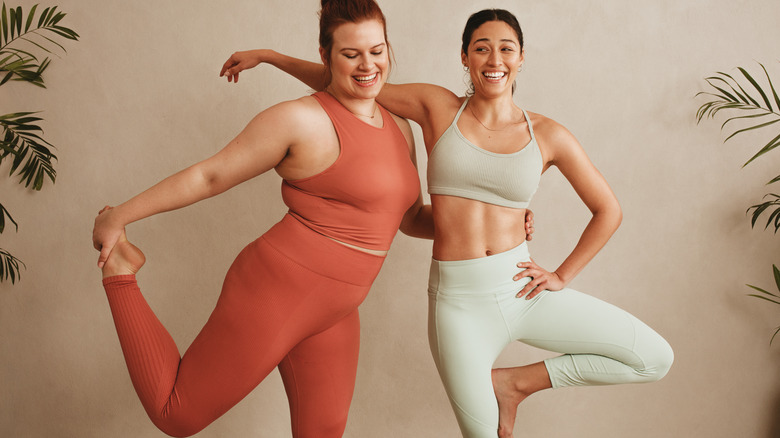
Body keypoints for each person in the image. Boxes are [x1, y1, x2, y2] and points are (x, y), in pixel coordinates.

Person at [221, 7, 674, 438]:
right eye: (481, 48)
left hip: (521, 289)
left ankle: (514, 384)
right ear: (464, 56)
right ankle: (503, 387)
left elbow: (608, 210)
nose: (494, 59)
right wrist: (272, 57)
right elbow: (349, 81)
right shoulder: (438, 107)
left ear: (521, 57)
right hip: (459, 305)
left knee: (653, 357)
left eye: (506, 48)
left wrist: (561, 275)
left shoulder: (549, 133)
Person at [92, 1, 440, 436]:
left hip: (337, 309)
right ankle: (122, 274)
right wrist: (119, 217)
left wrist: (497, 222)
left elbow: (410, 219)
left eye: (377, 50)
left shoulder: (398, 126)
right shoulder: (299, 119)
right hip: (279, 288)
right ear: (325, 55)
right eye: (351, 54)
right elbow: (210, 175)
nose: (367, 64)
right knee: (176, 414)